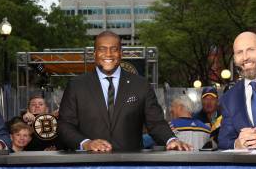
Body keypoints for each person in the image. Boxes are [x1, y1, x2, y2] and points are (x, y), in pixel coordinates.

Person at [58, 31, 191, 151]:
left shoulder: (141, 85)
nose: (108, 54)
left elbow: (156, 123)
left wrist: (171, 140)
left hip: (130, 166)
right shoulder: (76, 85)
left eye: (114, 49)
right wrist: (86, 143)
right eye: (102, 49)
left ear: (121, 53)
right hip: (88, 167)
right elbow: (65, 126)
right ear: (94, 54)